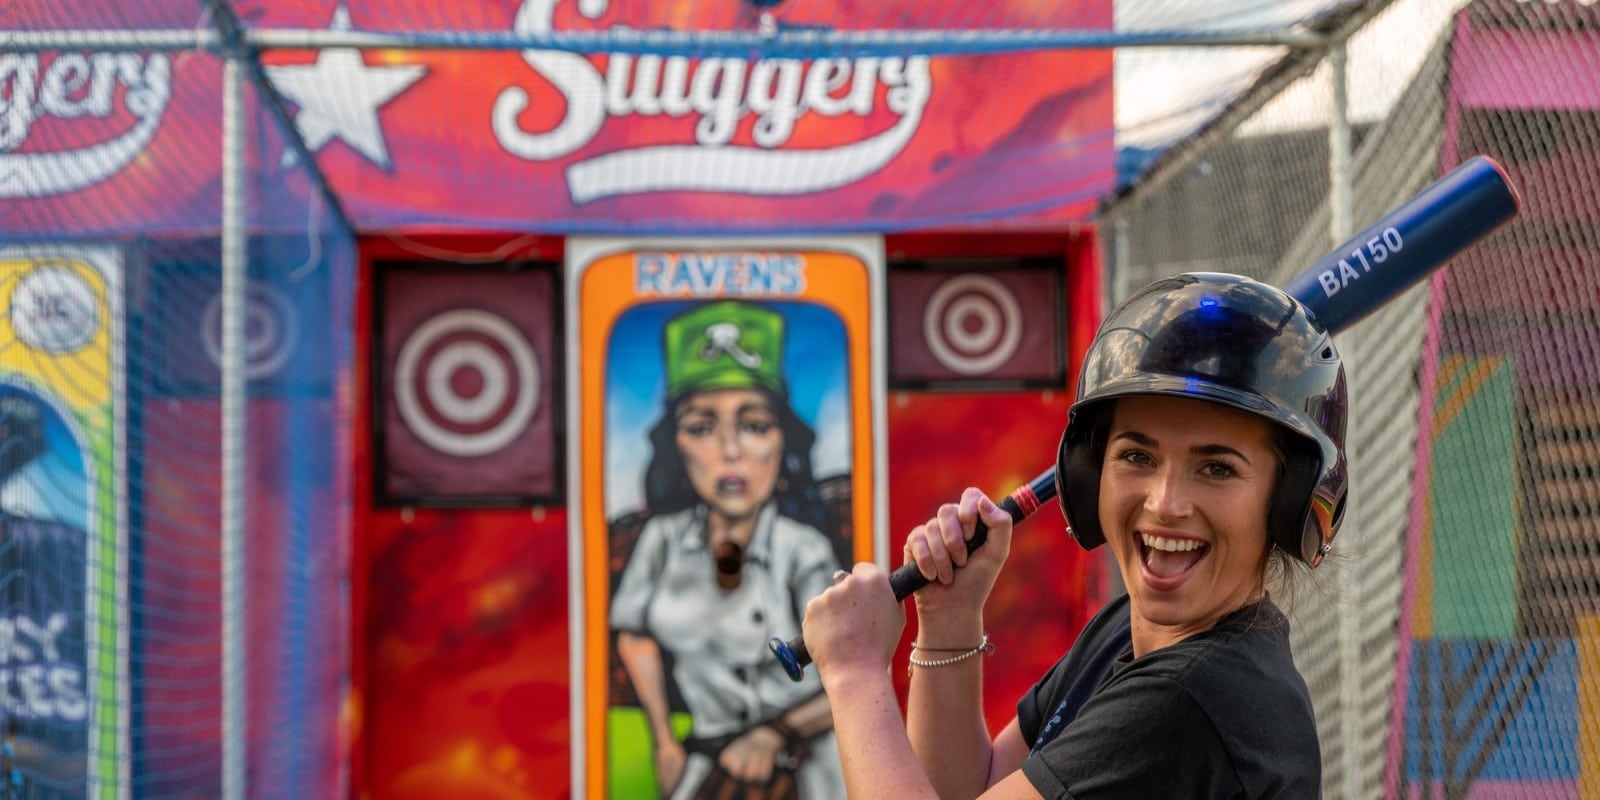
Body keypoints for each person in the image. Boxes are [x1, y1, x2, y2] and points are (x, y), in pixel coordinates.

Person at [801, 272, 1345, 798]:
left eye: (1217, 469)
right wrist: (949, 617)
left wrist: (854, 674)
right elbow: (969, 787)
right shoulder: (1126, 632)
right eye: (1137, 456)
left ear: (1286, 503)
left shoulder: (1191, 699)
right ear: (1090, 475)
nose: (1165, 503)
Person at [609, 300, 848, 799]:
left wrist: (777, 733)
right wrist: (664, 743)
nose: (730, 449)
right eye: (702, 428)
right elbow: (634, 634)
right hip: (709, 763)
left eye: (755, 425)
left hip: (809, 770)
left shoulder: (803, 549)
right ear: (676, 448)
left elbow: (850, 669)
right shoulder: (661, 541)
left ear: (784, 445)